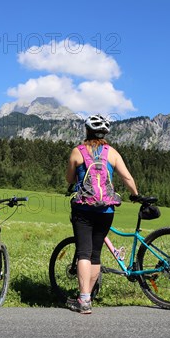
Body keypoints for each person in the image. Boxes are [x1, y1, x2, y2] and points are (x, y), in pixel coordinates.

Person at [65, 114, 139, 314]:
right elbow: (127, 177)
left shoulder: (77, 152)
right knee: (95, 254)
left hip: (83, 209)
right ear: (105, 133)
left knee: (83, 253)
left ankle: (84, 299)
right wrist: (136, 195)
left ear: (87, 131)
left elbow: (69, 178)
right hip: (106, 210)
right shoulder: (112, 153)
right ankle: (87, 297)